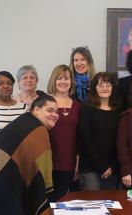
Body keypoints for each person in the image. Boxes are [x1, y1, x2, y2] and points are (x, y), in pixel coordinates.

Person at [0, 94, 59, 215]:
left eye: (57, 112)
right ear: (36, 110)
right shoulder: (39, 130)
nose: (55, 114)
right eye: (50, 110)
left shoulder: (24, 121)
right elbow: (44, 171)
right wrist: (49, 200)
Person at [78, 72, 121, 190]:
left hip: (113, 168)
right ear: (94, 88)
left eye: (108, 84)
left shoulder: (118, 110)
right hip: (90, 168)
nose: (105, 88)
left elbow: (121, 140)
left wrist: (113, 166)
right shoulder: (87, 108)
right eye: (100, 85)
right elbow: (85, 139)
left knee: (112, 206)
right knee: (93, 205)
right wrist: (101, 167)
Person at [47, 65, 81, 200]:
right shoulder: (45, 103)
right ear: (53, 81)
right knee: (52, 202)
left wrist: (78, 161)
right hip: (49, 161)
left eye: (66, 78)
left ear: (71, 82)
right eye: (59, 78)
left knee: (72, 202)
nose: (63, 82)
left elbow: (80, 136)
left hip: (71, 162)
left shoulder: (78, 105)